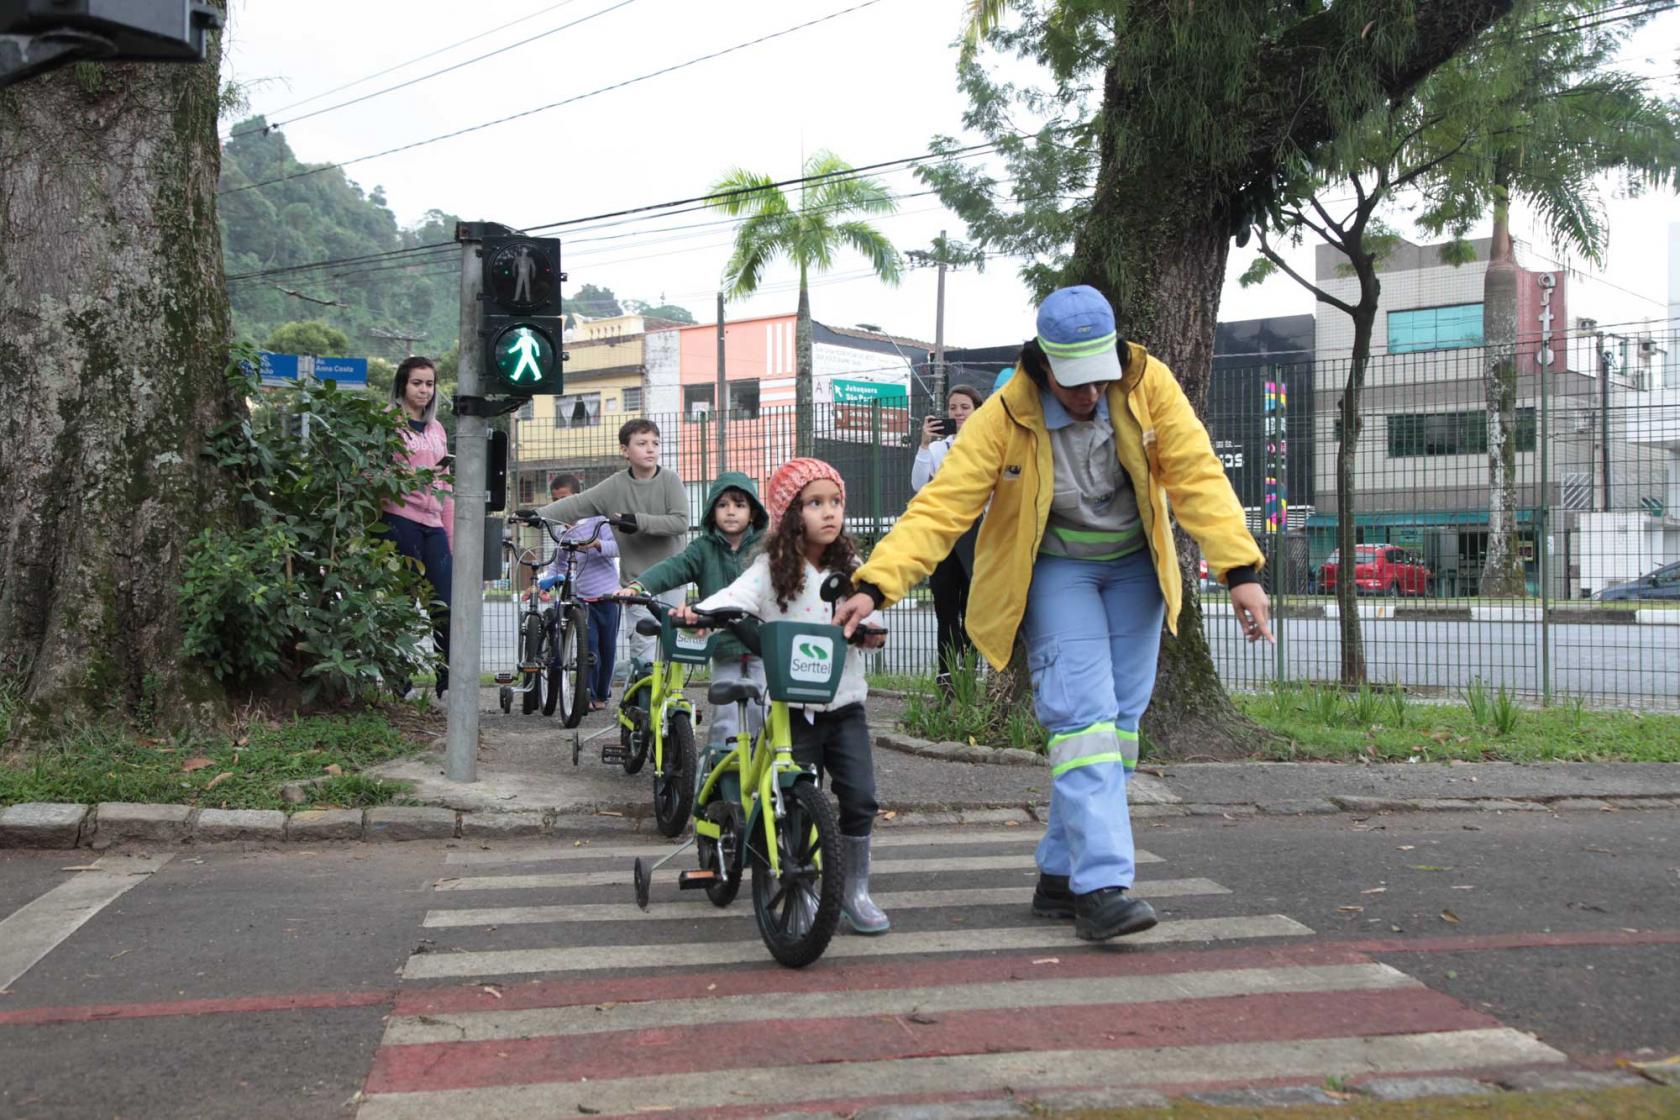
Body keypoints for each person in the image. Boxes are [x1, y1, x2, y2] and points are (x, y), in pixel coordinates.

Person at [833, 285, 1274, 944]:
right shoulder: (1004, 415)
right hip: (1055, 571)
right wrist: (876, 582)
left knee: (1118, 731)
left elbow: (1196, 473)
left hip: (1134, 569)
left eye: (1097, 378)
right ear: (1042, 363)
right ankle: (1101, 887)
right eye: (1073, 382)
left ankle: (1059, 872)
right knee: (1083, 720)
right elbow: (942, 507)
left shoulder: (1146, 382)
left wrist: (1238, 570)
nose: (1088, 393)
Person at [675, 458, 891, 935]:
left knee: (860, 797)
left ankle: (855, 890)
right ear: (791, 513)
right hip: (791, 705)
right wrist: (698, 613)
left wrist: (871, 632)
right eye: (815, 504)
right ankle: (792, 881)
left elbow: (870, 614)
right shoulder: (770, 569)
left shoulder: (853, 568)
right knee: (791, 794)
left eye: (835, 502)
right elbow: (734, 595)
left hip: (845, 702)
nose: (829, 513)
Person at [619, 471, 769, 754]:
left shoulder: (767, 549)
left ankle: (760, 777)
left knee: (763, 711)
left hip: (763, 644)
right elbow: (673, 567)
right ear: (712, 513)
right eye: (722, 505)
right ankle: (718, 775)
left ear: (753, 513)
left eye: (739, 505)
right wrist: (639, 585)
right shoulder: (703, 549)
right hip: (724, 647)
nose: (731, 512)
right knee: (726, 717)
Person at [531, 419, 687, 669]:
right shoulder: (615, 485)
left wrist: (636, 522)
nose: (651, 449)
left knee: (673, 647)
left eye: (655, 443)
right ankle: (644, 699)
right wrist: (538, 515)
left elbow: (679, 522)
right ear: (625, 450)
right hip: (638, 581)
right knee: (642, 646)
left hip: (672, 578)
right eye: (642, 443)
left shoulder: (670, 480)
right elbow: (577, 503)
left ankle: (671, 703)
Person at [381, 356, 454, 699]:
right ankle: (399, 680)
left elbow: (447, 486)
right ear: (402, 385)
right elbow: (374, 474)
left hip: (435, 522)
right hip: (399, 519)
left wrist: (450, 534)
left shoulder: (438, 429)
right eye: (417, 383)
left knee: (446, 604)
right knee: (402, 603)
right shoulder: (387, 423)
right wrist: (412, 480)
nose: (424, 390)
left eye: (429, 384)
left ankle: (448, 679)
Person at [911, 383, 985, 690]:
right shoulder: (940, 448)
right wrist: (925, 444)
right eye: (953, 407)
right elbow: (919, 485)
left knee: (972, 610)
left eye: (964, 407)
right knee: (945, 609)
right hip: (945, 534)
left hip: (978, 532)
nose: (958, 413)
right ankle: (945, 675)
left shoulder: (987, 443)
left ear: (977, 410)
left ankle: (968, 674)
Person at [536, 473, 620, 710]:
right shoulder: (562, 533)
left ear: (578, 498)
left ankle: (602, 694)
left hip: (608, 595)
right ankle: (589, 693)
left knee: (608, 647)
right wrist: (545, 583)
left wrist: (597, 544)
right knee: (588, 648)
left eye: (564, 499)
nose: (560, 506)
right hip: (582, 598)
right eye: (555, 501)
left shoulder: (598, 521)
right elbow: (558, 565)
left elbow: (617, 548)